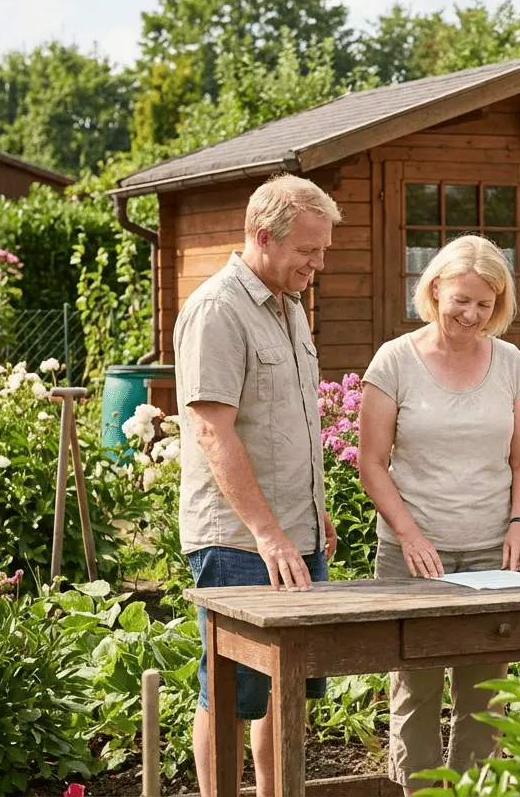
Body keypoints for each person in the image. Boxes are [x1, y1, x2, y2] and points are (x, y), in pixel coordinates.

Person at [173, 174, 343, 797]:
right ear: (263, 236)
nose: (317, 264)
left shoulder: (289, 306)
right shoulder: (218, 310)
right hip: (240, 542)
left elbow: (287, 422)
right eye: (307, 250)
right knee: (231, 692)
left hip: (295, 531)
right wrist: (269, 535)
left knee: (286, 685)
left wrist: (312, 511)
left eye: (323, 251)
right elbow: (214, 433)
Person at [356, 234, 520, 794]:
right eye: (461, 300)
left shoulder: (509, 362)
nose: (471, 314)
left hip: (490, 549)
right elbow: (371, 462)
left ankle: (476, 790)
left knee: (486, 689)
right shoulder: (394, 360)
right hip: (417, 551)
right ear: (435, 288)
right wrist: (408, 533)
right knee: (417, 685)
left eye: (485, 305)